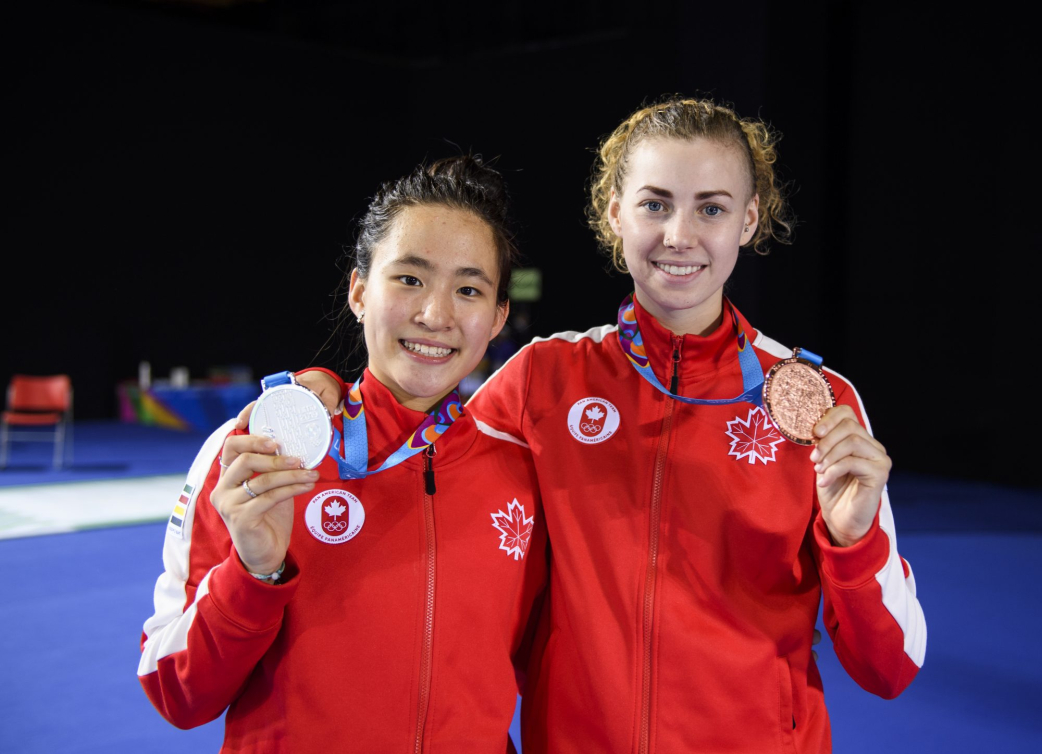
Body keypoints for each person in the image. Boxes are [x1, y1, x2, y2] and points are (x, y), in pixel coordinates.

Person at [286, 97, 926, 753]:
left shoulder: (814, 401)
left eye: (711, 207)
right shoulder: (544, 378)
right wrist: (329, 396)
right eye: (654, 204)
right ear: (615, 213)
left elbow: (889, 669)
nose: (679, 234)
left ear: (748, 219)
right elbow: (418, 444)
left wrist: (852, 548)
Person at [138, 156, 547, 753]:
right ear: (359, 290)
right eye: (409, 279)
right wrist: (254, 574)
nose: (435, 315)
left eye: (468, 289)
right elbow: (175, 692)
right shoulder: (258, 454)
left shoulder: (523, 470)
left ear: (498, 317)